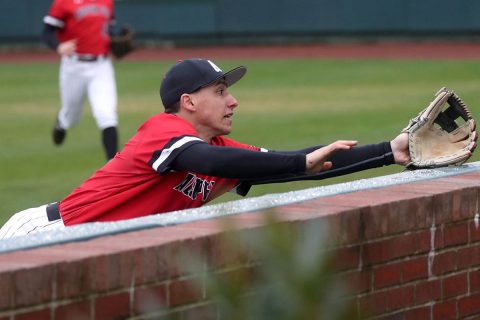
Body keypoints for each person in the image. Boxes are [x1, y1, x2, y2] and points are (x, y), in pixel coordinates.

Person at [0, 58, 413, 239]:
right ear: (189, 101)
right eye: (220, 91)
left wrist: (389, 151)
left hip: (92, 243)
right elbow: (204, 160)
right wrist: (298, 160)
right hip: (47, 233)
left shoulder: (220, 148)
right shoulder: (160, 132)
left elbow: (294, 164)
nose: (232, 100)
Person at [42, 0, 119, 160]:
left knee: (107, 114)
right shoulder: (63, 2)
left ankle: (113, 167)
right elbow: (47, 32)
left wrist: (115, 43)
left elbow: (108, 30)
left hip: (101, 66)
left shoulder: (107, 1)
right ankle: (62, 121)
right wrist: (58, 46)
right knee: (72, 115)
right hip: (73, 65)